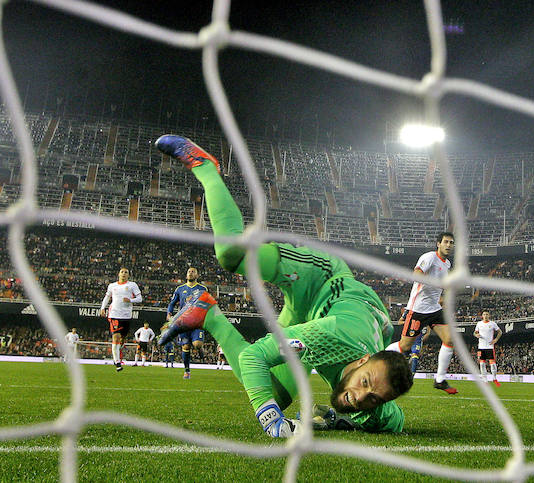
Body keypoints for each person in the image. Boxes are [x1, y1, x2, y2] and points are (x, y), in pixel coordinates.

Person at [155, 134, 413, 435]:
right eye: (365, 382)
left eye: (372, 399)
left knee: (274, 392)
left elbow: (396, 420)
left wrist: (339, 417)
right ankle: (206, 168)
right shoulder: (333, 338)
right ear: (363, 360)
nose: (359, 396)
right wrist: (271, 420)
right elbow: (254, 357)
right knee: (230, 254)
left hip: (330, 314)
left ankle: (208, 314)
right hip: (320, 279)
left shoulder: (376, 407)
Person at [386, 231, 458, 395]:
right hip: (418, 310)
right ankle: (379, 357)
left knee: (449, 339)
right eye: (446, 242)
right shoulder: (429, 257)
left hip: (434, 309)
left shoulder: (447, 264)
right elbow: (417, 274)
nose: (448, 245)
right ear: (438, 244)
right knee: (405, 345)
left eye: (451, 242)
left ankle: (439, 380)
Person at [167, 267, 208, 379]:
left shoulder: (202, 288)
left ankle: (200, 348)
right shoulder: (180, 289)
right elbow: (172, 303)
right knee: (185, 346)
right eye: (189, 272)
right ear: (186, 275)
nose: (190, 273)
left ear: (197, 275)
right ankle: (187, 370)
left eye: (193, 272)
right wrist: (169, 313)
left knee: (197, 344)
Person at [99, 267, 142, 372]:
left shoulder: (132, 285)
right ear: (118, 274)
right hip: (114, 314)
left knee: (122, 339)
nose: (123, 274)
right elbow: (107, 297)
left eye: (126, 272)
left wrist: (130, 300)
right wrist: (102, 308)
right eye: (122, 272)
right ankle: (117, 362)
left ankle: (118, 352)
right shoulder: (112, 286)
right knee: (116, 337)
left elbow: (140, 298)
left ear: (128, 275)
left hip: (126, 316)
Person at [473, 310, 502, 387]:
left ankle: (494, 378)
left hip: (489, 346)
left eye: (487, 314)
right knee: (482, 364)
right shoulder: (479, 324)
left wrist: (496, 339)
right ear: (482, 316)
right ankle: (485, 380)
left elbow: (500, 332)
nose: (485, 315)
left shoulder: (492, 324)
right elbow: (475, 332)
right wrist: (476, 335)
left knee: (492, 364)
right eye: (484, 314)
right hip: (481, 347)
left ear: (489, 315)